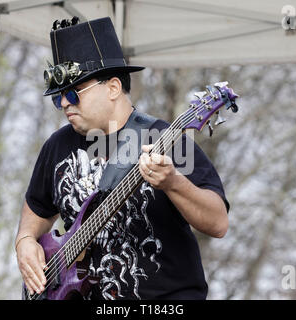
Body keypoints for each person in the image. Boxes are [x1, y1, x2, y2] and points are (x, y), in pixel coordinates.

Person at [15, 16, 230, 300]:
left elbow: (218, 223)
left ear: (113, 88)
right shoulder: (57, 146)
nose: (65, 103)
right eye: (58, 97)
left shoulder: (166, 139)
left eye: (73, 93)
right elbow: (35, 214)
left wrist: (173, 183)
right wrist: (25, 242)